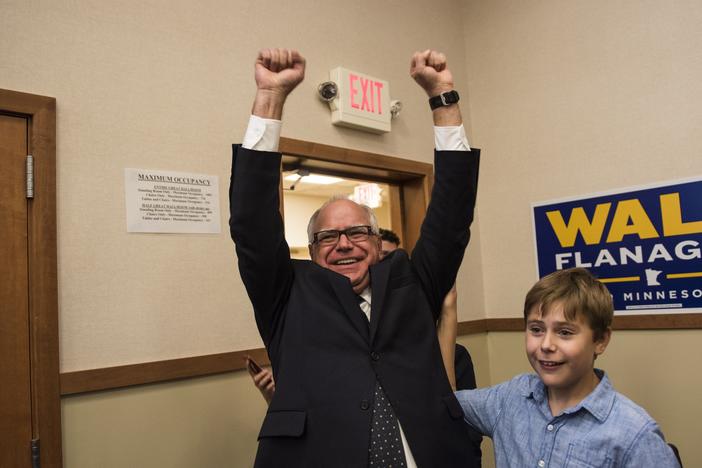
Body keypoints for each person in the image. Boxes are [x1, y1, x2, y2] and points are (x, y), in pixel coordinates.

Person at [229, 48, 481, 467]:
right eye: (328, 237)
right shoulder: (286, 294)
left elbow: (452, 217)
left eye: (358, 232)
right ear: (310, 251)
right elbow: (251, 223)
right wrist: (270, 98)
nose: (344, 244)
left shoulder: (411, 283)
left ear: (379, 242)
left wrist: (443, 98)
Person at [451, 268, 680, 467]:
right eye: (536, 329)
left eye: (565, 332)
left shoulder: (634, 434)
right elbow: (445, 402)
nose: (546, 345)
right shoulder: (510, 397)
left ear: (600, 340)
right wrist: (447, 315)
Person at [379, 228, 483, 464]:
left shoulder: (457, 357)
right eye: (383, 261)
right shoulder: (361, 356)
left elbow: (463, 432)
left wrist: (448, 314)